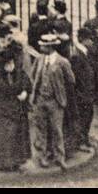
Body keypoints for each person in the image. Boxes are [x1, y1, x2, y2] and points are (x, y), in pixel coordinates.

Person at [28, 33, 73, 170]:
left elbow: (71, 79)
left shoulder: (62, 62)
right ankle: (42, 156)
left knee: (56, 130)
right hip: (40, 99)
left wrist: (60, 90)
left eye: (43, 46)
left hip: (55, 101)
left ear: (50, 47)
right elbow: (32, 75)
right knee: (40, 129)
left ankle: (60, 157)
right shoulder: (40, 59)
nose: (41, 47)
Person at [0, 47, 31, 171]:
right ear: (3, 65)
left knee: (17, 136)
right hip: (3, 111)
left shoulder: (20, 73)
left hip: (17, 110)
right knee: (3, 137)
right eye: (8, 64)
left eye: (12, 63)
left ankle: (16, 162)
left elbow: (28, 85)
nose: (11, 66)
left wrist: (25, 93)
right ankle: (2, 163)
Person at [69, 27, 96, 152]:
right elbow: (77, 78)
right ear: (82, 40)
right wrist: (82, 94)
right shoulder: (77, 56)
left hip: (87, 92)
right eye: (89, 39)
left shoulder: (83, 53)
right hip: (82, 94)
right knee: (83, 117)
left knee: (88, 116)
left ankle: (84, 139)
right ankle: (81, 142)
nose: (91, 42)